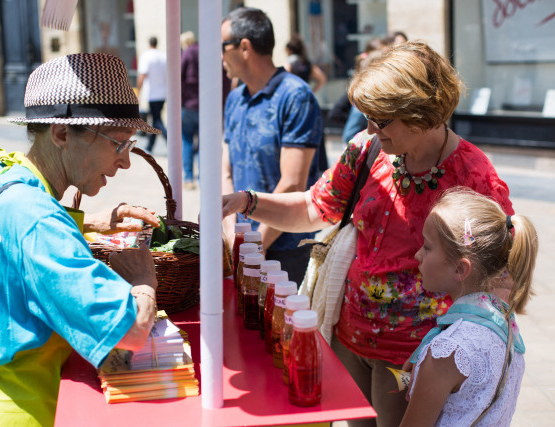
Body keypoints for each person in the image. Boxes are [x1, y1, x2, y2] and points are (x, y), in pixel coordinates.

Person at [222, 40, 513, 426]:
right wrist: (247, 201)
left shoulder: (474, 176)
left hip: (417, 355)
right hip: (349, 338)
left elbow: (501, 272)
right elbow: (314, 207)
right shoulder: (367, 149)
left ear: (420, 114)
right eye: (368, 116)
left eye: (381, 118)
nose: (370, 127)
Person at [0, 53, 163, 425]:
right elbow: (132, 331)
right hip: (26, 411)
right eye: (118, 144)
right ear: (61, 133)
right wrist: (143, 282)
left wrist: (88, 224)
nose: (126, 162)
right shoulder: (36, 220)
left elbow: (17, 242)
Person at [401, 187, 536, 425]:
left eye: (428, 246)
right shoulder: (506, 329)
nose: (418, 255)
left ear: (460, 269)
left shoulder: (449, 351)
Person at [221, 7, 324, 285]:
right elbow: (226, 171)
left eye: (223, 46)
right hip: (243, 243)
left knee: (281, 326)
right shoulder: (236, 98)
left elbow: (292, 183)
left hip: (285, 246)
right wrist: (233, 235)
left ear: (244, 47)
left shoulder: (295, 96)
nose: (220, 56)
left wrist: (257, 243)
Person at [180, 31, 231, 189]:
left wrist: (179, 102)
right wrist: (222, 106)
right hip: (208, 107)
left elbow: (178, 77)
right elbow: (224, 81)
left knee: (187, 141)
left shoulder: (188, 52)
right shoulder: (214, 54)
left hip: (188, 104)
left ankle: (188, 177)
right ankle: (203, 178)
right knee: (205, 144)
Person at [137, 36, 167, 153]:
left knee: (157, 119)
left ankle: (170, 140)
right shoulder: (163, 56)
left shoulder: (146, 56)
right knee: (155, 120)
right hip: (163, 93)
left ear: (149, 43)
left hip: (152, 94)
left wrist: (137, 91)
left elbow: (142, 75)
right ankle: (150, 146)